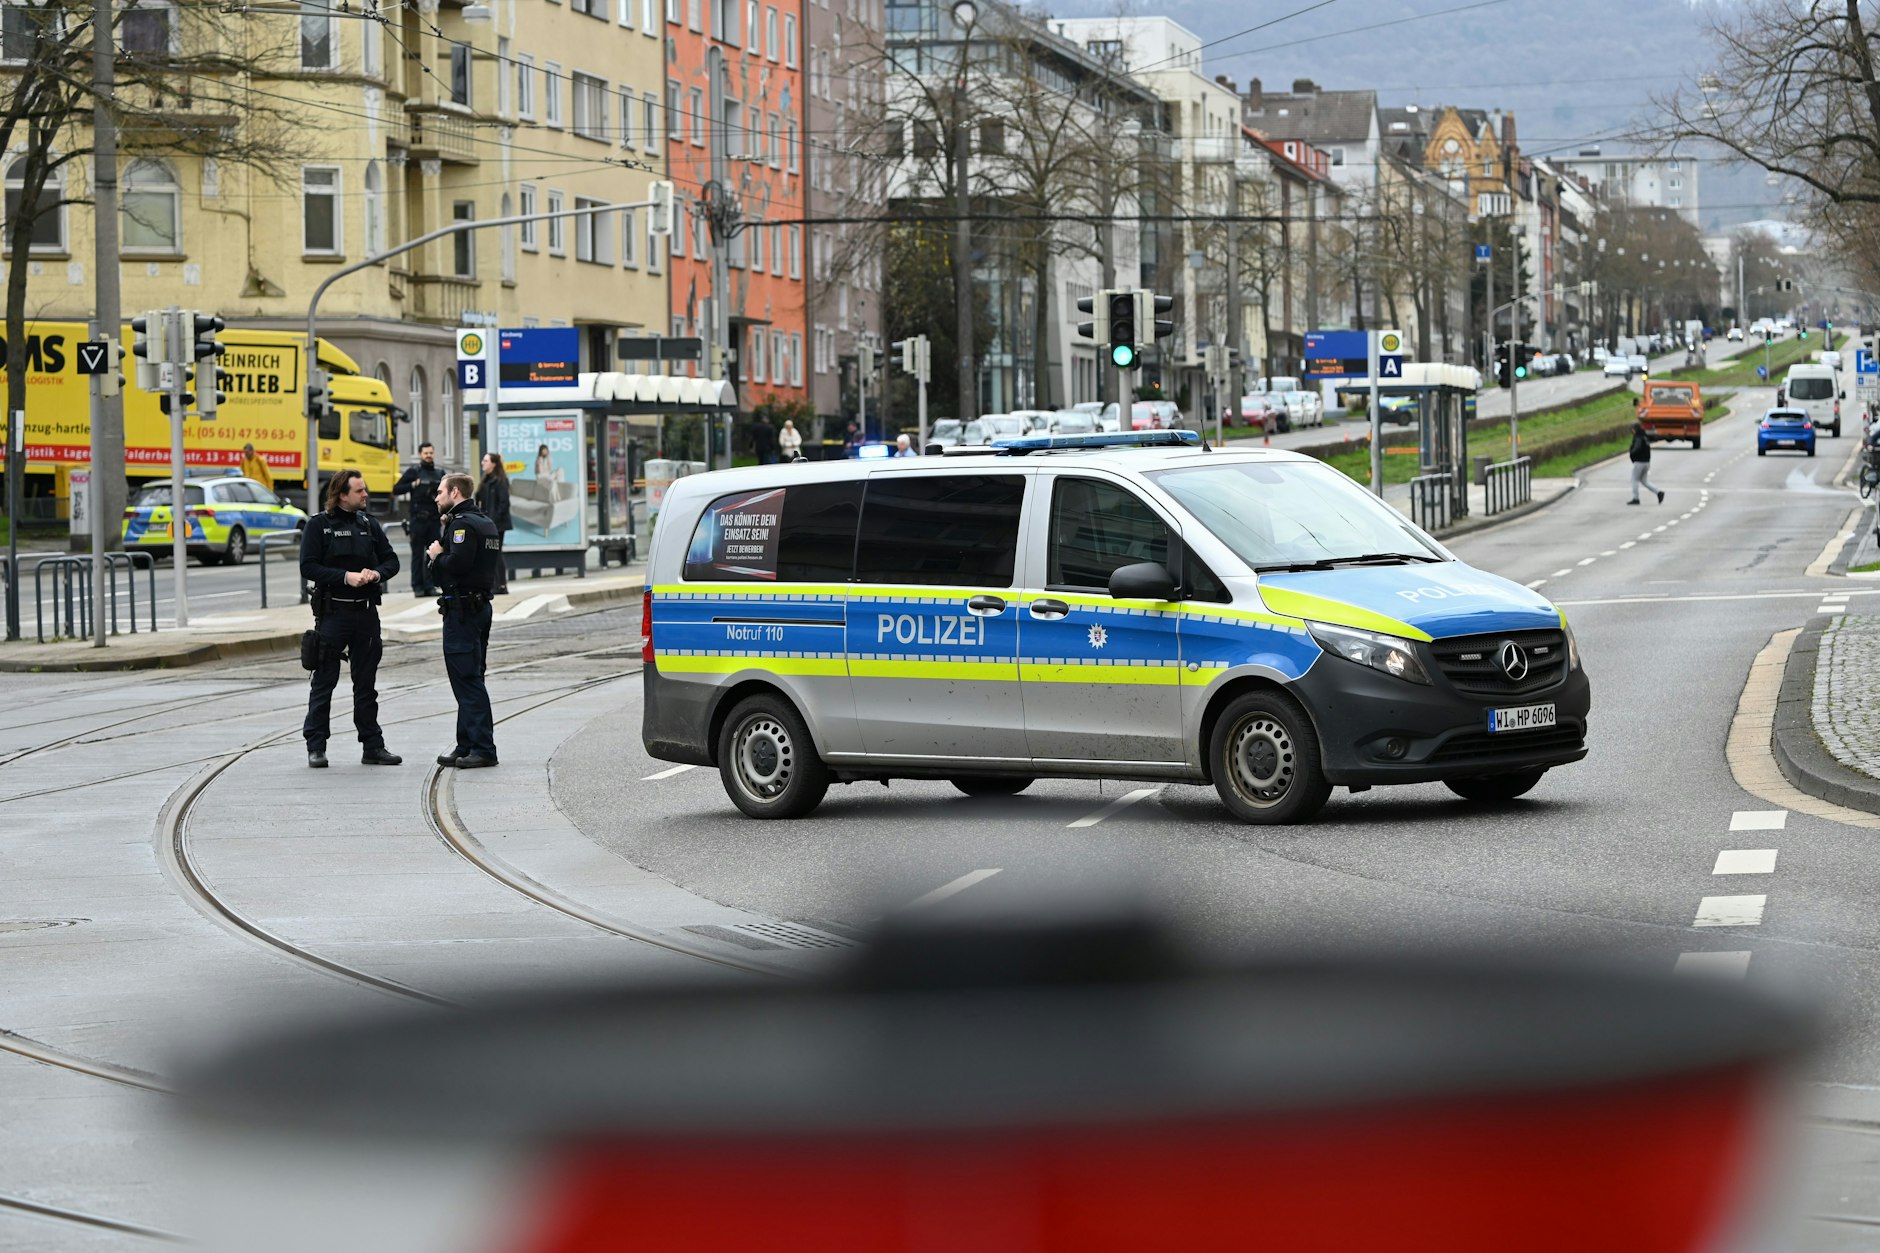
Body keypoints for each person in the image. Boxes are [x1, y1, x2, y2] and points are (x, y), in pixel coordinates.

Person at [299, 469, 402, 769]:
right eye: (359, 491)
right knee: (324, 682)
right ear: (342, 494)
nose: (366, 495)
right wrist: (345, 577)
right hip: (334, 614)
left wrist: (376, 573)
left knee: (366, 684)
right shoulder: (319, 525)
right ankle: (316, 746)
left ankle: (373, 746)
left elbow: (391, 560)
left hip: (366, 614)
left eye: (364, 489)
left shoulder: (369, 524)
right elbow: (309, 566)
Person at [426, 473, 503, 769]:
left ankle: (483, 747)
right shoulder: (485, 521)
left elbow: (456, 565)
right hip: (479, 608)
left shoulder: (461, 525)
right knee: (470, 677)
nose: (436, 497)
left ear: (455, 492)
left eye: (440, 492)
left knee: (467, 680)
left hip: (462, 611)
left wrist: (436, 555)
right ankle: (466, 743)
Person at [392, 442, 444, 596]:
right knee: (417, 554)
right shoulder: (414, 472)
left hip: (434, 520)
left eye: (430, 453)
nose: (428, 455)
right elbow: (396, 489)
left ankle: (430, 585)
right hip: (418, 520)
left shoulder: (439, 473)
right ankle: (418, 587)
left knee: (433, 554)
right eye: (425, 453)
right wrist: (413, 484)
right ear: (421, 455)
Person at [477, 452, 512, 594]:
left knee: (495, 553)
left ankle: (501, 584)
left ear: (493, 464)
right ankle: (494, 584)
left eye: (485, 461)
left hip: (497, 524)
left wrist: (493, 521)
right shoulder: (486, 480)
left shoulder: (500, 480)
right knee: (491, 553)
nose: (482, 463)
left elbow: (504, 504)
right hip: (488, 523)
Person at [1627, 419, 1664, 507]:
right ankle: (1658, 492)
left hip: (1639, 462)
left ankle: (1636, 498)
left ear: (1634, 429)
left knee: (1634, 479)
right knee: (1644, 481)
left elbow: (1637, 448)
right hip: (1646, 462)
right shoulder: (1645, 436)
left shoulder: (1638, 437)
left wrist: (1632, 453)